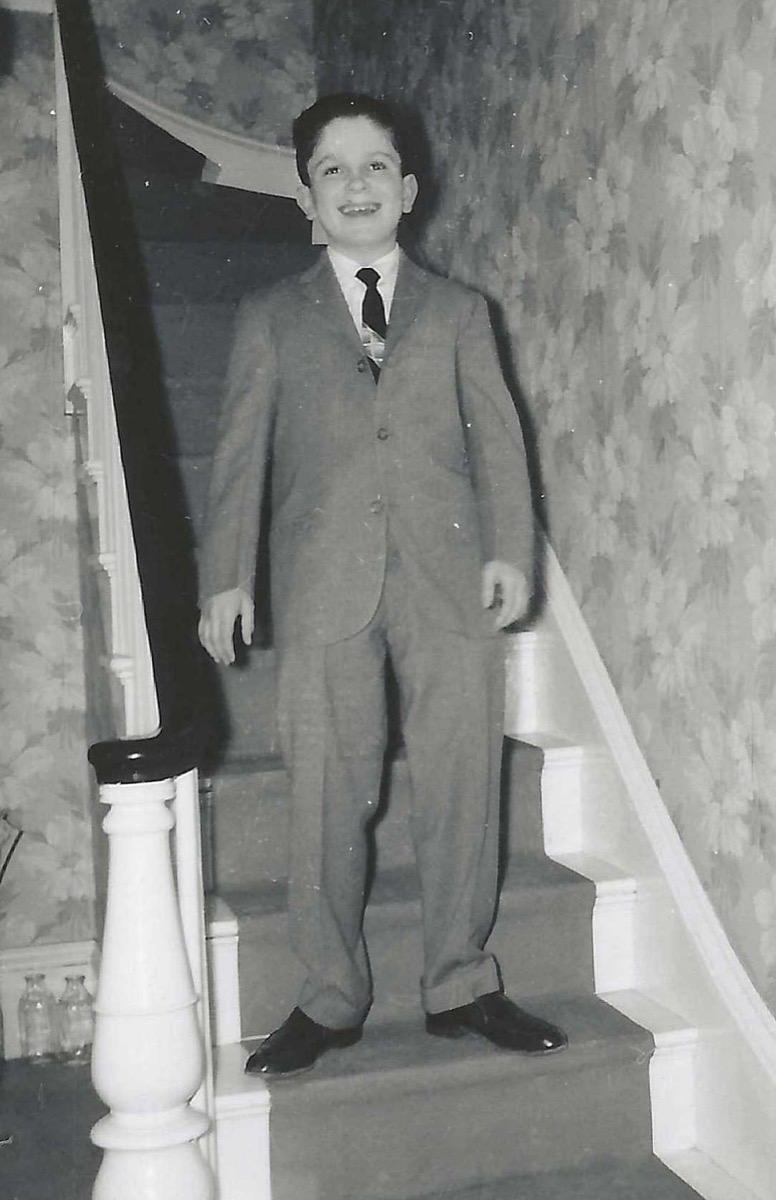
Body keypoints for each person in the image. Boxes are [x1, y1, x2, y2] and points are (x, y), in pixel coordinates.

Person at [198, 92, 567, 1077]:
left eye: (373, 167)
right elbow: (238, 456)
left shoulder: (458, 312)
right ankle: (328, 992)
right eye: (331, 169)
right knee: (326, 787)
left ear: (407, 188)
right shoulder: (270, 316)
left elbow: (498, 440)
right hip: (322, 579)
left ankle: (459, 979)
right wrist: (225, 578)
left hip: (447, 574)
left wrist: (508, 551)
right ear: (303, 196)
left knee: (459, 777)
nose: (354, 185)